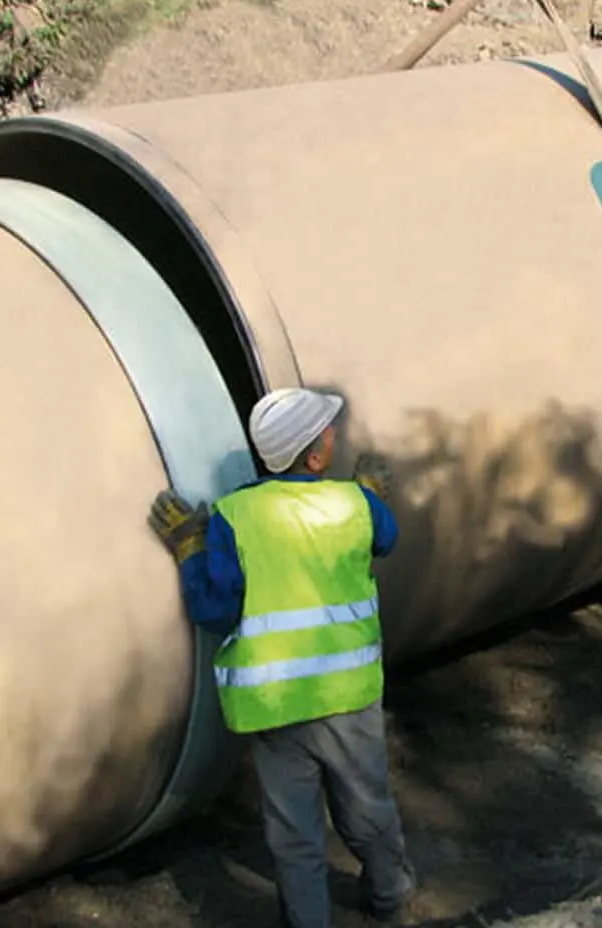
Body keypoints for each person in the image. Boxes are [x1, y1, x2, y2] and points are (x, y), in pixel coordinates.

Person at [147, 386, 416, 928]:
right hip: (347, 697)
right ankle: (390, 897)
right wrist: (372, 496)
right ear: (315, 457)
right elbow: (384, 539)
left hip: (277, 705)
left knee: (294, 835)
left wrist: (189, 550)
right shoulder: (353, 505)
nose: (336, 437)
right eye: (328, 434)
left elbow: (214, 610)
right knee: (366, 810)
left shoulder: (234, 516)